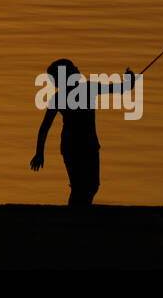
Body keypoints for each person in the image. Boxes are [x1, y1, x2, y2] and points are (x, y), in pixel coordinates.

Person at [29, 59, 136, 205]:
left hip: (71, 146)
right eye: (73, 67)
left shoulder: (60, 96)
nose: (77, 68)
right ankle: (78, 215)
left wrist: (39, 152)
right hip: (86, 145)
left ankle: (76, 214)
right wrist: (129, 79)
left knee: (81, 186)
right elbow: (122, 88)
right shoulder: (88, 88)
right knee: (88, 186)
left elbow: (44, 127)